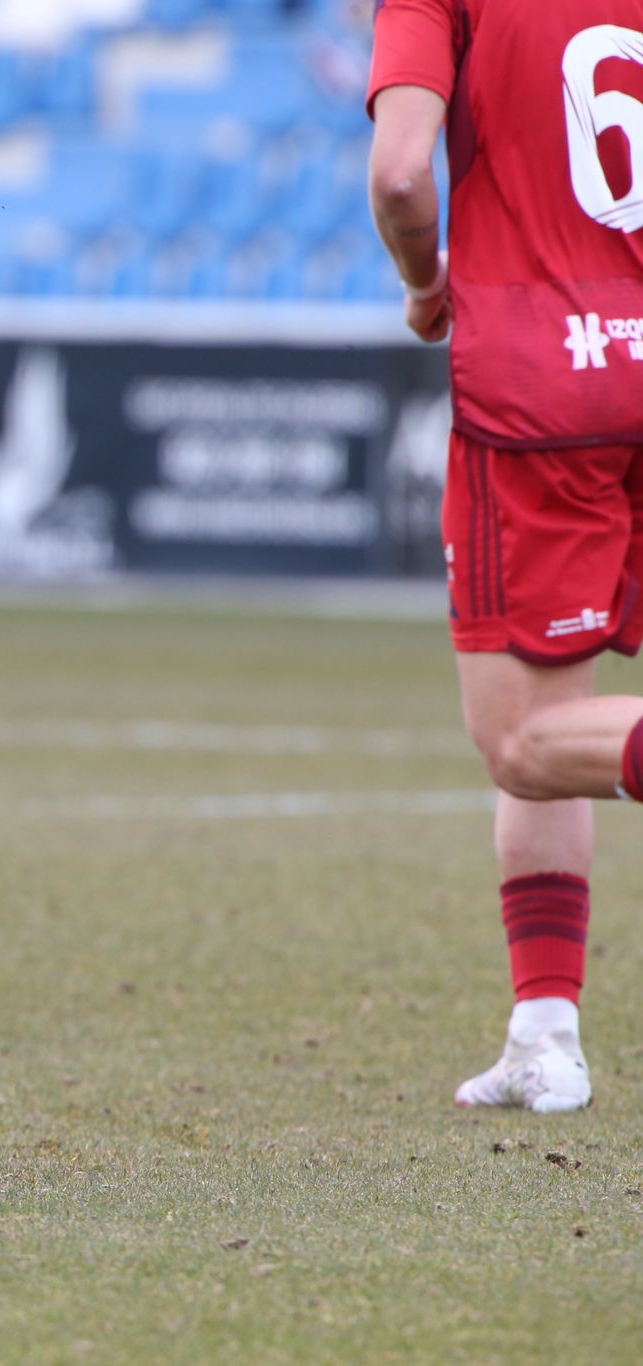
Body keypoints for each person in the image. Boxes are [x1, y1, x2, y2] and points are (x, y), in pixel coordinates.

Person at [368, 0, 643, 1113]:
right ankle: (543, 1033)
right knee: (560, 720)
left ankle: (547, 1036)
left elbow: (397, 173)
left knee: (523, 735)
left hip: (540, 385)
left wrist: (423, 274)